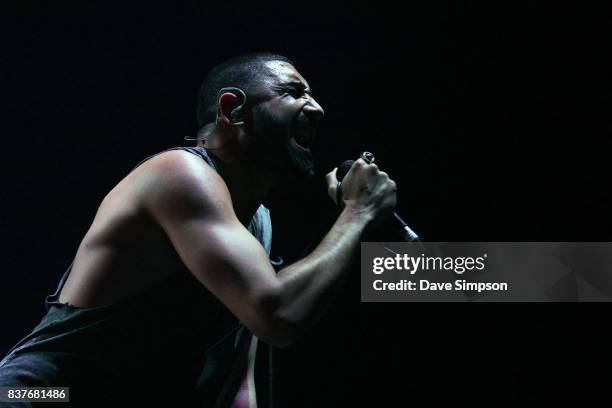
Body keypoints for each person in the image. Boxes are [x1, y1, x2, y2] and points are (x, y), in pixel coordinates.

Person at [0, 52, 397, 407]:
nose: (317, 108)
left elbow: (236, 376)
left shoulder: (257, 221)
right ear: (232, 109)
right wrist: (359, 211)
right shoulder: (181, 174)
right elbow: (278, 314)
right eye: (294, 92)